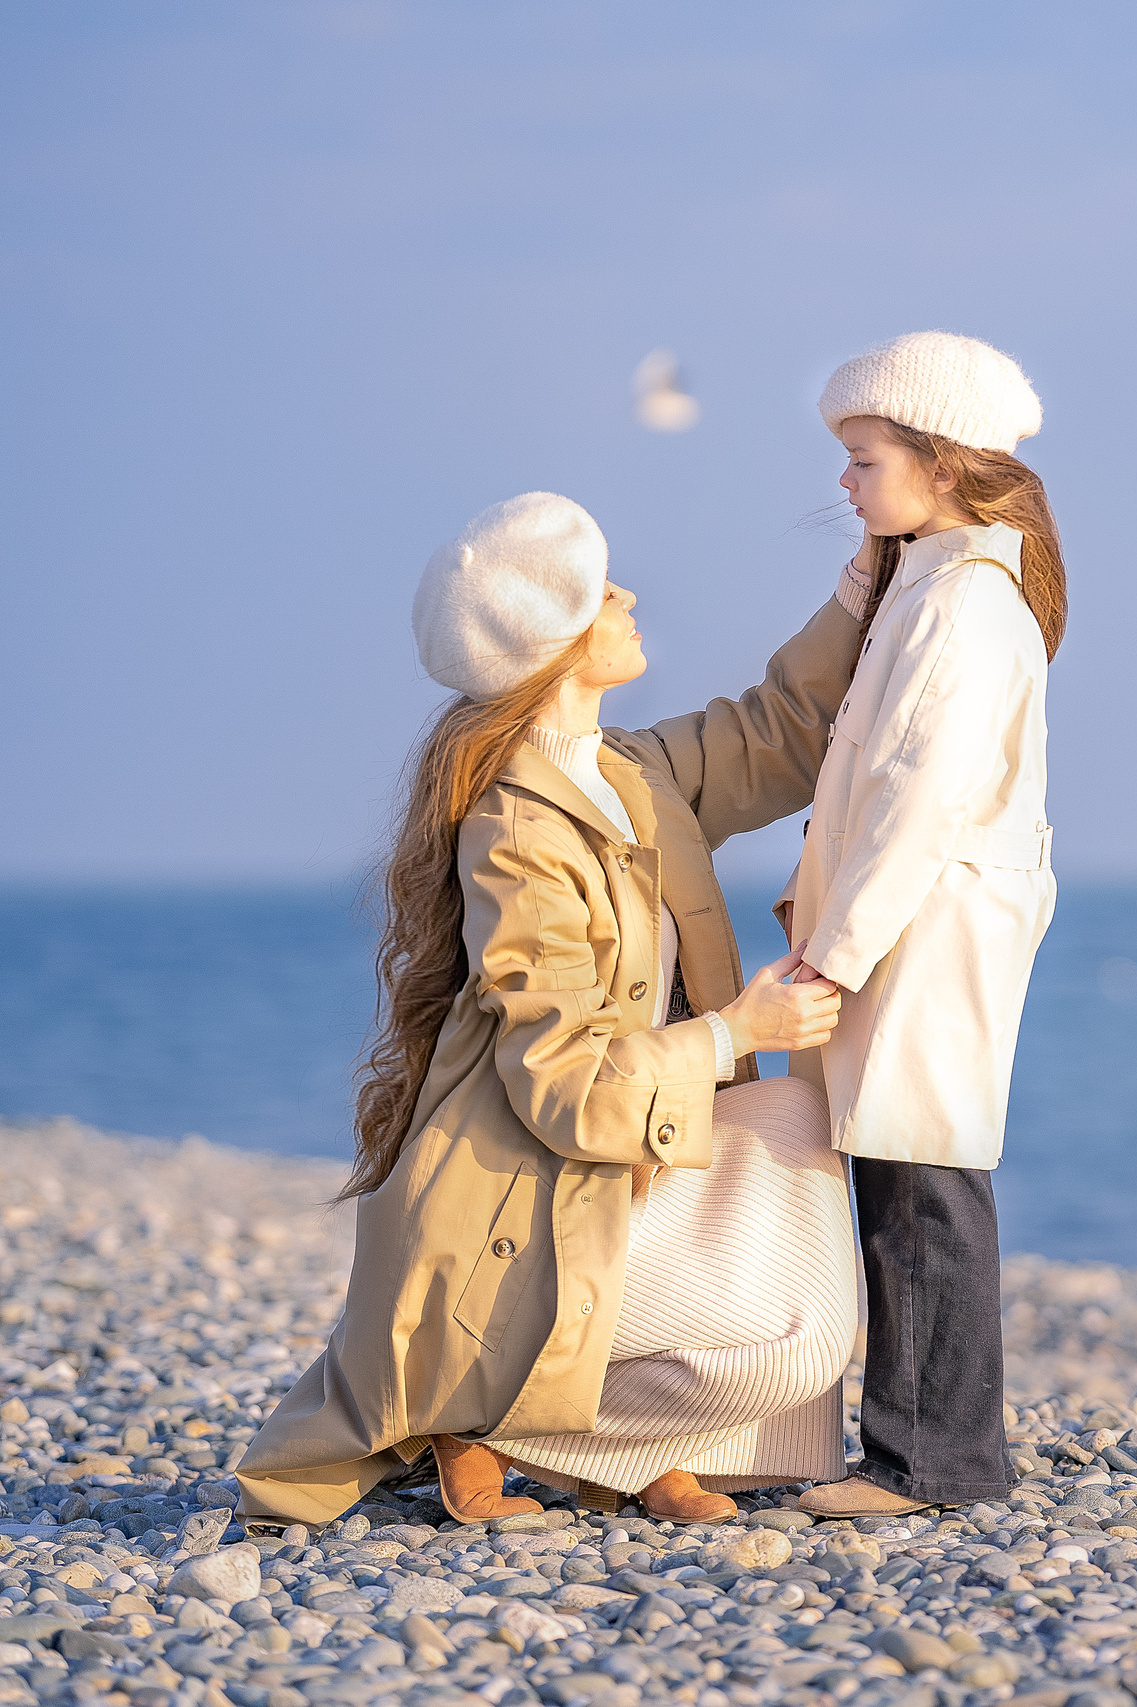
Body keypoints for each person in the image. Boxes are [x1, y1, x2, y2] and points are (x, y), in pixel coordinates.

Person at [236, 492, 866, 1526]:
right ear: (554, 647)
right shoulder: (515, 830)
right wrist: (733, 1032)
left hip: (622, 1161)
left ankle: (620, 1445)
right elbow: (560, 1079)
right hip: (528, 1190)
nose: (624, 595)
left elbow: (778, 728)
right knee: (792, 1340)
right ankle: (485, 1418)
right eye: (595, 590)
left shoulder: (631, 773)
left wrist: (871, 573)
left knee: (793, 1148)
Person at [783, 332, 1064, 1517]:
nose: (843, 483)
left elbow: (919, 802)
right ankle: (916, 1452)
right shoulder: (933, 588)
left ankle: (934, 1464)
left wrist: (830, 957)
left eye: (863, 458)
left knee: (925, 1183)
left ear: (940, 462)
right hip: (918, 918)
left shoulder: (964, 605)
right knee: (905, 1172)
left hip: (929, 924)